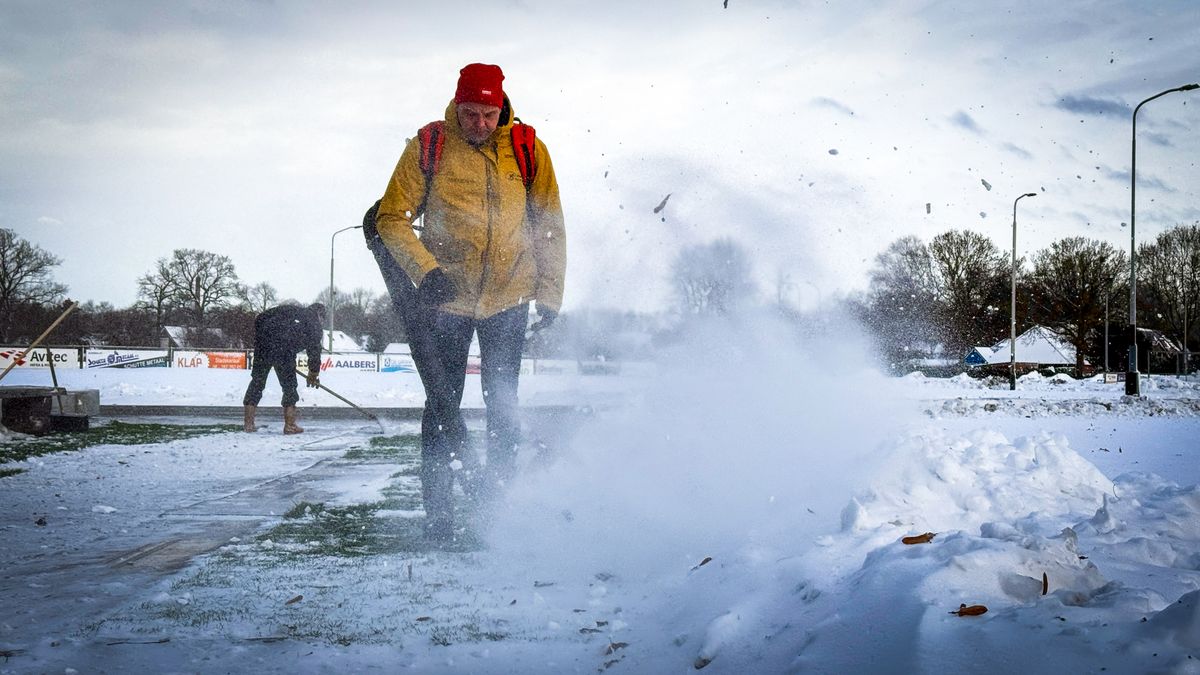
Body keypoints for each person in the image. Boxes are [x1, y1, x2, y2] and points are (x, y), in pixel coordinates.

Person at [373, 63, 566, 540]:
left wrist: (549, 292)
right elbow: (389, 218)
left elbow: (548, 224)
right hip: (448, 301)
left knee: (504, 406)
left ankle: (498, 511)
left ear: (502, 108)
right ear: (456, 106)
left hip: (510, 296)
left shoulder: (527, 150)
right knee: (442, 406)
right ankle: (440, 518)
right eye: (470, 113)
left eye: (487, 114)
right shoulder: (429, 146)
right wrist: (426, 272)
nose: (479, 123)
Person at [242, 302, 325, 434]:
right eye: (322, 319)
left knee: (257, 382)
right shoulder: (314, 322)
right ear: (320, 315)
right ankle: (289, 426)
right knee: (289, 387)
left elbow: (260, 318)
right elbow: (314, 350)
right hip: (284, 349)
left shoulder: (292, 310)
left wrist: (265, 339)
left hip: (263, 346)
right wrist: (313, 373)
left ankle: (248, 424)